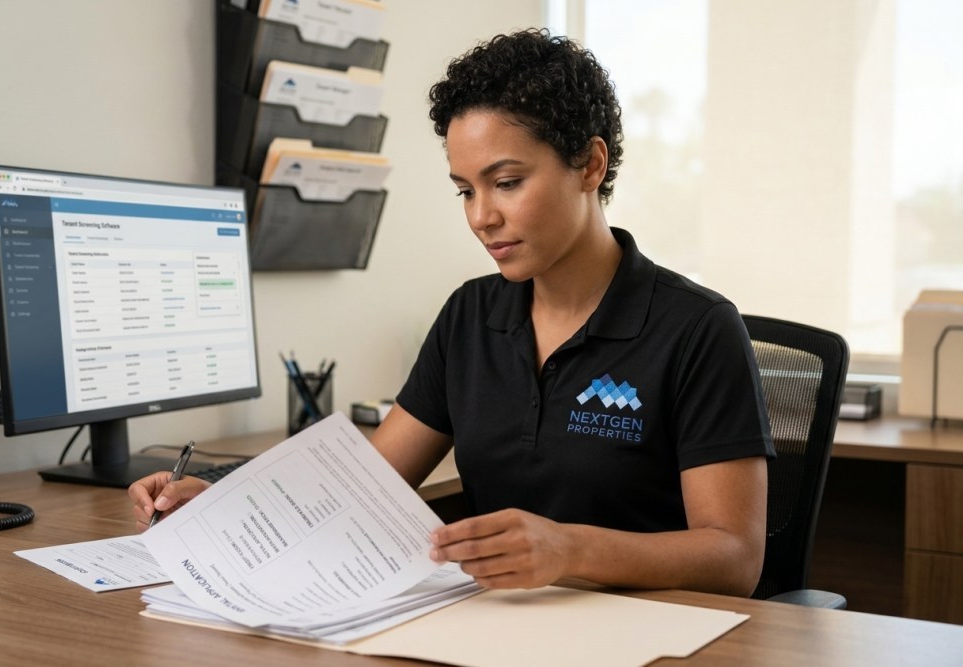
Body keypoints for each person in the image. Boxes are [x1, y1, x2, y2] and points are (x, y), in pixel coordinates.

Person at [129, 28, 774, 597]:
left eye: (507, 183)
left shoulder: (697, 329)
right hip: (493, 626)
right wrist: (223, 506)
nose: (481, 216)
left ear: (590, 164)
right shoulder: (471, 316)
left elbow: (735, 559)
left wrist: (570, 549)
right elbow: (361, 491)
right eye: (465, 190)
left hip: (645, 634)